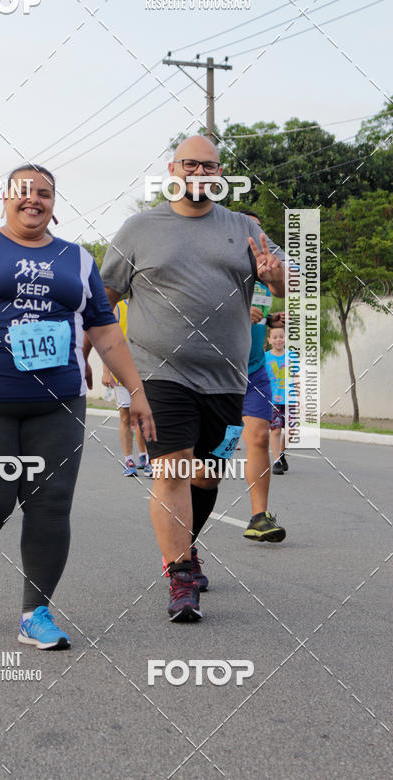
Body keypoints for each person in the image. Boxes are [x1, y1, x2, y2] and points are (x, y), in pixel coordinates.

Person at [0, 164, 154, 650]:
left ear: (55, 202)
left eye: (45, 193)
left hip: (59, 402)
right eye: (23, 192)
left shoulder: (77, 258)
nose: (34, 200)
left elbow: (105, 328)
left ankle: (35, 613)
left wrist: (136, 392)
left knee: (49, 506)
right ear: (5, 199)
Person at [95, 135, 285, 623]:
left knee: (205, 475)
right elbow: (105, 297)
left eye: (210, 166)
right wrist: (101, 355)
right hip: (159, 372)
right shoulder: (140, 228)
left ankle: (189, 548)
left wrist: (274, 276)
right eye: (191, 164)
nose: (200, 173)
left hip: (226, 377)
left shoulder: (244, 229)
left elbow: (293, 284)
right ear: (172, 168)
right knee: (172, 467)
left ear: (221, 174)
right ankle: (180, 576)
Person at [238, 211, 286, 543]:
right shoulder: (214, 270)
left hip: (254, 370)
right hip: (214, 374)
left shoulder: (265, 273)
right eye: (246, 228)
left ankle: (259, 516)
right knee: (212, 459)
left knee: (257, 438)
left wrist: (275, 277)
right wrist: (238, 310)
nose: (253, 234)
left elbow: (288, 286)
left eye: (257, 229)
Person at [101, 299, 152, 478]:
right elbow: (106, 340)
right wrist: (106, 371)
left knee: (146, 416)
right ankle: (129, 459)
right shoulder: (119, 308)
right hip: (122, 371)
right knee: (125, 416)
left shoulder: (151, 306)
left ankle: (147, 458)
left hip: (146, 372)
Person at [265, 325, 295, 474]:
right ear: (269, 340)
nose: (278, 339)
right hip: (273, 400)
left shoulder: (292, 356)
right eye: (275, 337)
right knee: (275, 430)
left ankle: (282, 453)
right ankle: (276, 462)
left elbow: (296, 378)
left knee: (291, 431)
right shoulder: (265, 357)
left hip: (290, 399)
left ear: (285, 338)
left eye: (281, 336)